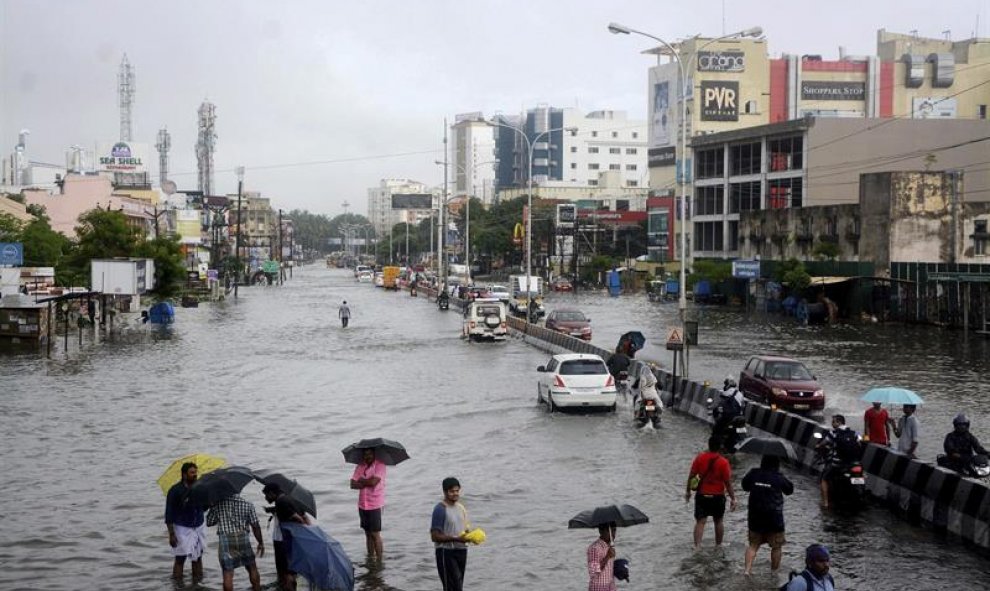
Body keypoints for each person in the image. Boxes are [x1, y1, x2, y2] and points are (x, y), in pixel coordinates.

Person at [742, 456, 794, 575]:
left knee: (753, 545)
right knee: (776, 547)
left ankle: (747, 570)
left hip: (755, 516)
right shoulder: (779, 477)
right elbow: (789, 490)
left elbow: (744, 486)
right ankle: (774, 573)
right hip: (774, 518)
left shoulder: (753, 473)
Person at [685, 437, 737, 549]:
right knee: (718, 521)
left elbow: (691, 476)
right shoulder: (724, 462)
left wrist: (688, 491)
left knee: (700, 522)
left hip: (702, 495)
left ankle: (697, 546)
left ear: (709, 445)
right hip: (718, 496)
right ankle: (718, 545)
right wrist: (733, 498)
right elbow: (728, 483)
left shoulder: (700, 458)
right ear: (720, 447)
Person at [206, 493, 265, 591]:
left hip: (226, 539)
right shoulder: (247, 504)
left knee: (227, 573)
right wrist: (260, 542)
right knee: (252, 567)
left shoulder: (218, 504)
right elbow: (255, 525)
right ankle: (257, 589)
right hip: (243, 537)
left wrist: (212, 506)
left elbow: (209, 522)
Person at [262, 483, 309, 591]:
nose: (265, 498)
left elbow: (298, 518)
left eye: (266, 495)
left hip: (283, 541)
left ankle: (289, 588)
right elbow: (303, 516)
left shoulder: (281, 502)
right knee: (290, 570)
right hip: (292, 541)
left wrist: (304, 528)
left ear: (272, 493)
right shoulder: (290, 499)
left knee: (285, 572)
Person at [165, 462, 206, 583]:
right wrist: (171, 534)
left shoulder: (200, 487)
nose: (195, 475)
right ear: (184, 475)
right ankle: (178, 585)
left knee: (197, 557)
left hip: (198, 526)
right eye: (192, 473)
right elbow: (169, 514)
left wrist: (209, 503)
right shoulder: (175, 490)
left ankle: (198, 585)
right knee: (180, 558)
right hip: (182, 528)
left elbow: (203, 508)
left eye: (196, 472)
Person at [430, 477, 470, 591]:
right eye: (452, 491)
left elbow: (465, 530)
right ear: (445, 492)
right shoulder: (440, 509)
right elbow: (435, 536)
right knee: (451, 587)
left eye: (457, 491)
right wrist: (457, 539)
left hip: (462, 550)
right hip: (446, 552)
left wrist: (471, 536)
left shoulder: (461, 507)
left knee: (459, 586)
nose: (455, 494)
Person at [817, 415, 860, 509]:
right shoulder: (854, 432)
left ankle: (825, 503)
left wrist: (818, 446)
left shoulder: (833, 433)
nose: (832, 424)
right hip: (853, 462)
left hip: (837, 463)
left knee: (824, 479)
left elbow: (824, 443)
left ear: (839, 422)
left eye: (834, 422)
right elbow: (859, 444)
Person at [350, 448, 387, 561]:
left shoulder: (380, 465)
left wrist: (361, 481)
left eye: (370, 454)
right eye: (365, 454)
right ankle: (371, 558)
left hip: (375, 504)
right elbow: (352, 484)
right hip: (362, 504)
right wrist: (367, 482)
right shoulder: (360, 466)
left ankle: (380, 561)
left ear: (374, 454)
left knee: (375, 534)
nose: (367, 456)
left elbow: (373, 482)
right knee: (367, 534)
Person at [586, 523, 616, 591]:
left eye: (614, 530)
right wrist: (607, 557)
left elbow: (608, 570)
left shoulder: (609, 547)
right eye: (609, 531)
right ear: (601, 531)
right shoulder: (594, 548)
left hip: (610, 587)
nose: (613, 534)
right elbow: (593, 572)